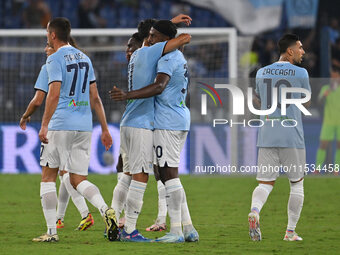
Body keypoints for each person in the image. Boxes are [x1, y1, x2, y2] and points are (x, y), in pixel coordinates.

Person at [111, 20, 199, 243]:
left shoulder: (166, 57)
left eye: (154, 37)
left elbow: (159, 86)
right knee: (165, 174)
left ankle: (176, 230)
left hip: (165, 122)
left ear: (166, 41)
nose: (149, 40)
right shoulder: (161, 54)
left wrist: (127, 95)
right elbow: (177, 40)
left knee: (167, 174)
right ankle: (187, 228)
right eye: (148, 36)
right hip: (171, 118)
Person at [32, 17, 118, 242]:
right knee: (78, 179)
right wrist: (105, 129)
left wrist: (44, 124)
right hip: (84, 126)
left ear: (52, 35)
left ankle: (51, 232)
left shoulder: (54, 58)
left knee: (48, 178)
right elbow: (96, 98)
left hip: (61, 124)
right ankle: (105, 209)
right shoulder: (85, 58)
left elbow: (54, 93)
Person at [20, 42, 95, 232]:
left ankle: (81, 215)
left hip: (59, 126)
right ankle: (64, 217)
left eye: (47, 45)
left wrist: (26, 115)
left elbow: (38, 100)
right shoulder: (79, 62)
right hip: (82, 124)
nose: (45, 49)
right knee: (66, 174)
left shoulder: (50, 65)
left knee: (54, 176)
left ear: (55, 45)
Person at [248, 34, 311, 242]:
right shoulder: (301, 72)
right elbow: (306, 104)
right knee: (297, 184)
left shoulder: (261, 72)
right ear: (290, 50)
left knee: (265, 183)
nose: (303, 52)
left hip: (267, 134)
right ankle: (290, 232)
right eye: (300, 48)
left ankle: (255, 212)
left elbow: (258, 100)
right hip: (291, 135)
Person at [315, 67, 340, 169]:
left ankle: (336, 170)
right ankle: (317, 169)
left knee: (339, 146)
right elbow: (319, 102)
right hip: (328, 121)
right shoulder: (325, 88)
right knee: (323, 145)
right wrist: (325, 95)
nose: (333, 78)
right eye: (332, 77)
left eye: (335, 76)